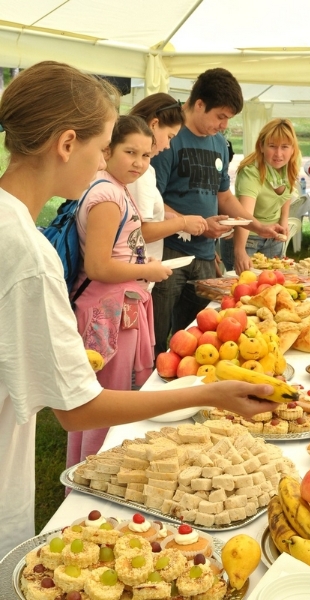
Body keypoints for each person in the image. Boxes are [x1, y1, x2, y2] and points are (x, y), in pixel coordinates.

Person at [0, 60, 278, 560]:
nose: (107, 159)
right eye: (104, 145)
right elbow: (78, 407)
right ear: (67, 144)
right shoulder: (25, 250)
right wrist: (209, 393)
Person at [150, 67, 284, 355]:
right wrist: (191, 224)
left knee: (198, 341)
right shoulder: (169, 138)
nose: (224, 125)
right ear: (199, 104)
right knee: (158, 340)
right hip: (167, 255)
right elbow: (151, 201)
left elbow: (224, 195)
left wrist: (257, 227)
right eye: (220, 116)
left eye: (228, 119)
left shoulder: (219, 143)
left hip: (205, 256)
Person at [66, 114, 173, 468]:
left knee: (106, 398)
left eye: (146, 155)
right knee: (103, 403)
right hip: (107, 313)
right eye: (130, 152)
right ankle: (91, 478)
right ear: (108, 149)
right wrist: (149, 270)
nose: (139, 163)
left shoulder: (113, 186)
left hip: (119, 309)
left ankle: (93, 470)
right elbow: (97, 266)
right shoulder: (108, 195)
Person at [128, 94, 208, 278]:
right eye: (170, 137)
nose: (168, 146)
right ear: (154, 124)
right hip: (136, 277)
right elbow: (140, 232)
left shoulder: (138, 170)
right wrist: (182, 222)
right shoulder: (140, 172)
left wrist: (166, 217)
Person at [220, 119, 300, 272]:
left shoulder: (289, 167)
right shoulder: (251, 172)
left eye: (284, 147)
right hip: (246, 239)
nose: (279, 154)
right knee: (245, 289)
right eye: (272, 146)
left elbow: (285, 197)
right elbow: (244, 215)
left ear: (292, 149)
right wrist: (240, 250)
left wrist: (283, 224)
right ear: (261, 146)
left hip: (273, 238)